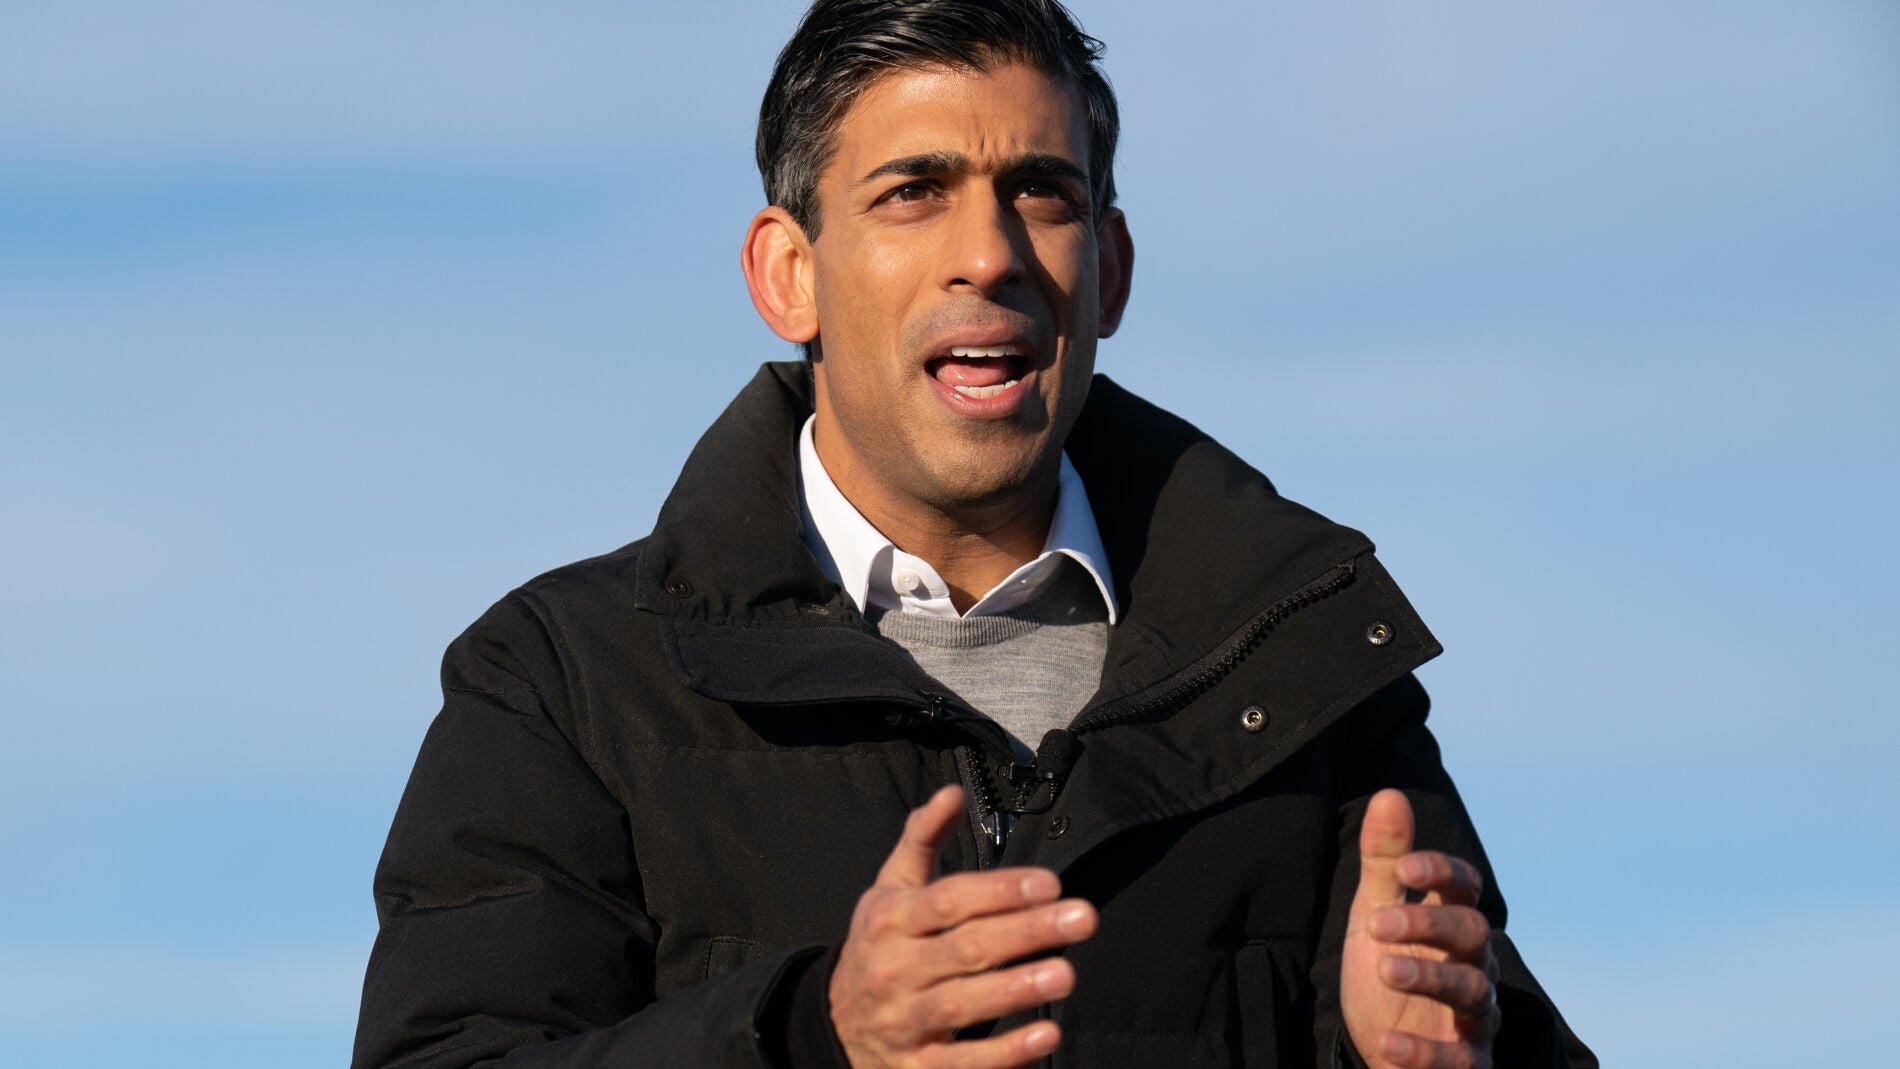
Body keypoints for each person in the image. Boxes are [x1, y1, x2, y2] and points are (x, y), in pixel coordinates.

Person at [352, 1, 1594, 1067]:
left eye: (1041, 194)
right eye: (914, 192)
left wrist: (1439, 1054)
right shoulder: (564, 683)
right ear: (788, 275)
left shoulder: (1310, 669)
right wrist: (813, 1033)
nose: (989, 255)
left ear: (1108, 268)